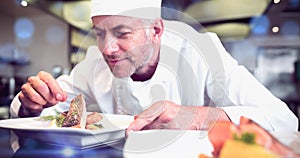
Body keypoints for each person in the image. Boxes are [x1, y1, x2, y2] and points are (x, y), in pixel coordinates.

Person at [10, 0, 298, 134]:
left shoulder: (202, 51)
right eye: (99, 34)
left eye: (123, 34)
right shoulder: (94, 65)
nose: (107, 48)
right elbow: (41, 110)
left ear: (156, 31)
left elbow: (283, 121)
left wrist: (193, 116)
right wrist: (33, 104)